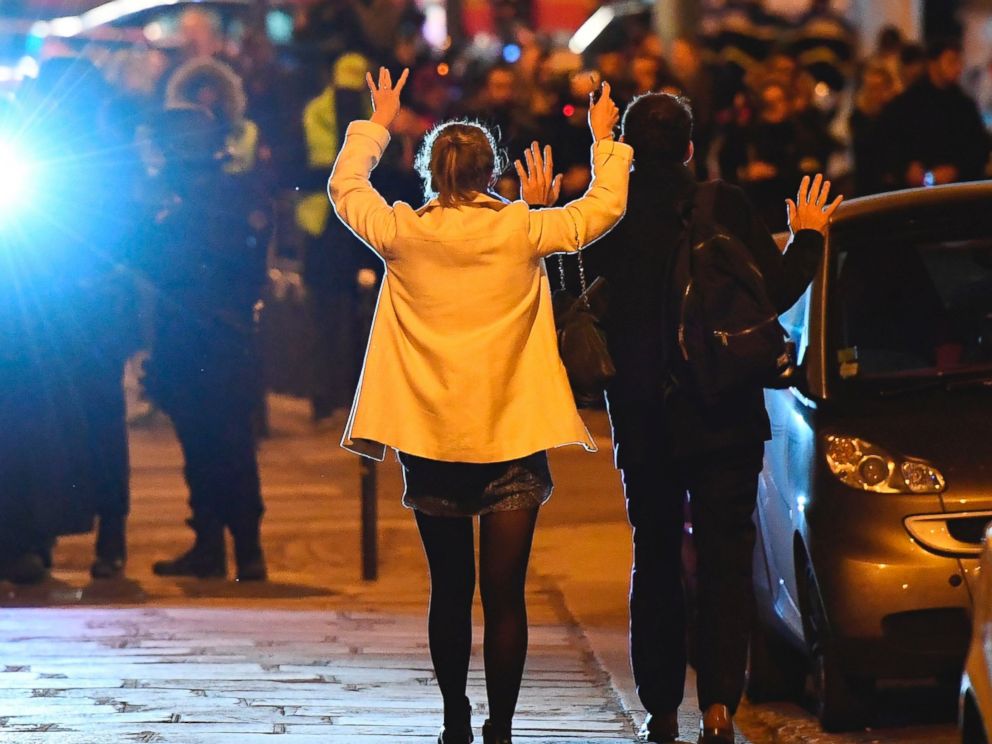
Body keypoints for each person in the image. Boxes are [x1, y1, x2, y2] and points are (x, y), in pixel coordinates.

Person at [327, 66, 631, 744]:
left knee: (448, 592)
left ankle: (454, 719)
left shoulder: (403, 233)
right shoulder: (521, 230)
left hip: (432, 439)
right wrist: (604, 140)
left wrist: (378, 120)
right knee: (505, 595)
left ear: (433, 172)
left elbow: (344, 187)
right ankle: (501, 727)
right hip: (511, 439)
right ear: (492, 173)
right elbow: (603, 211)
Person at [579, 92, 841, 744]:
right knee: (727, 559)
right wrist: (807, 234)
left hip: (643, 418)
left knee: (658, 554)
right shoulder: (722, 204)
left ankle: (661, 710)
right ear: (692, 148)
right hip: (723, 411)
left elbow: (575, 298)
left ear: (629, 153)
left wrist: (595, 148)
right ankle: (720, 709)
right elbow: (772, 294)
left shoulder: (608, 215)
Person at [142, 106, 270, 582]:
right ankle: (233, 549)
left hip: (197, 336)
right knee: (227, 442)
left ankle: (222, 546)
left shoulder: (179, 198)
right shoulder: (236, 190)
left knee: (206, 442)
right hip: (226, 335)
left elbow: (155, 260)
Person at [879, 37, 990, 189]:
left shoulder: (964, 106)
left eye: (959, 62)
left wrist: (956, 169)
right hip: (914, 194)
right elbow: (889, 142)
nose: (958, 68)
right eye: (951, 62)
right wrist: (905, 167)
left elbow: (979, 147)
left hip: (956, 191)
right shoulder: (906, 104)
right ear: (933, 64)